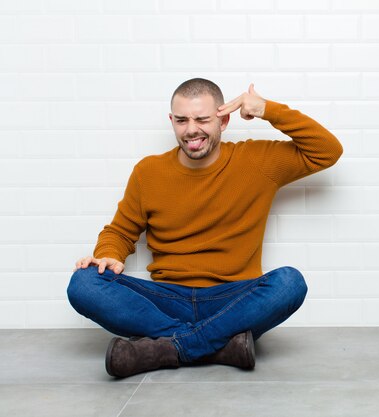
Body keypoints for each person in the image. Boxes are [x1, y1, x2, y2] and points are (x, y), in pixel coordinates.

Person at [67, 78, 343, 378]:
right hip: (167, 299)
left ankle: (167, 347)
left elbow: (327, 151)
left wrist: (268, 110)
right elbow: (119, 232)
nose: (191, 130)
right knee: (83, 283)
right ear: (171, 121)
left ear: (223, 120)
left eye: (202, 119)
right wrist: (108, 254)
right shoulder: (149, 171)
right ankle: (218, 346)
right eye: (182, 120)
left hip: (233, 299)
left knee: (290, 282)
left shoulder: (257, 161)